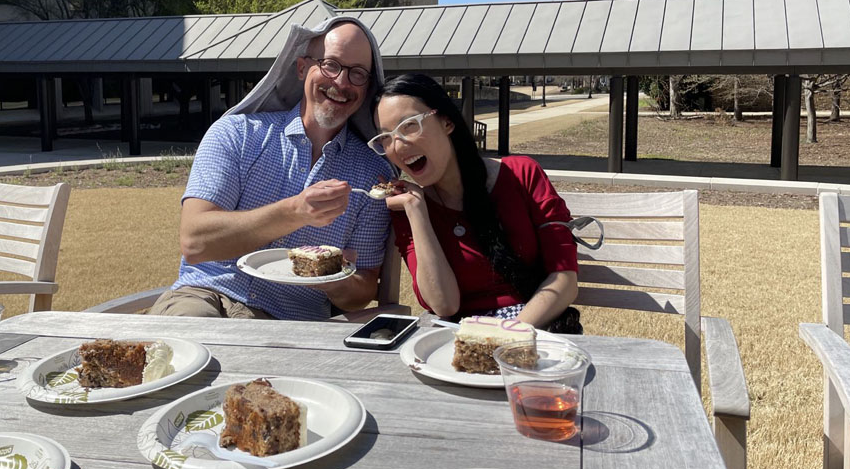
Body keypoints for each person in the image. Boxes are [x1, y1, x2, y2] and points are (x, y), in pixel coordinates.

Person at [150, 17, 393, 320]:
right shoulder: (236, 134)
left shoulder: (372, 174)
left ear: (368, 87)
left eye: (358, 74)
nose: (342, 83)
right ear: (303, 67)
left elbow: (362, 292)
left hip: (288, 320)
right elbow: (195, 242)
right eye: (331, 65)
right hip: (204, 296)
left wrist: (327, 273)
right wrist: (295, 212)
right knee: (183, 350)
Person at [371, 73, 581, 333]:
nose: (397, 146)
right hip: (459, 337)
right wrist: (416, 211)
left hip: (531, 329)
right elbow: (444, 305)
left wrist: (504, 336)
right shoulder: (408, 207)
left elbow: (565, 279)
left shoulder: (522, 175)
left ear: (447, 121)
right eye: (385, 138)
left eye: (409, 126)